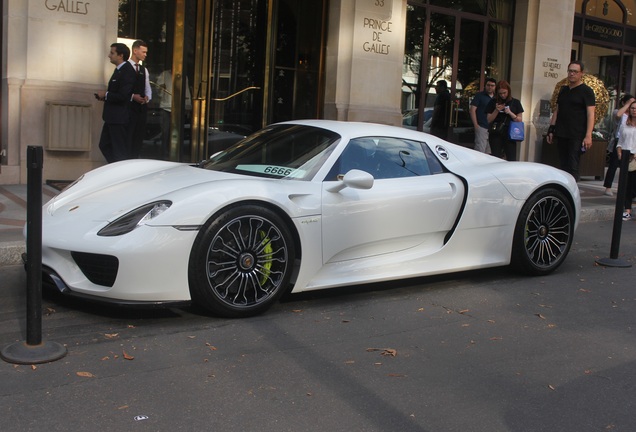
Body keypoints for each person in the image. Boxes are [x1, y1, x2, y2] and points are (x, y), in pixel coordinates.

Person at [546, 60, 596, 181]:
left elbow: (591, 114)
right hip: (562, 132)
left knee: (573, 164)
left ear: (581, 73)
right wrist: (551, 129)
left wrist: (588, 135)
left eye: (575, 71)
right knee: (563, 164)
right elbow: (557, 111)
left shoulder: (587, 91)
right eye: (570, 71)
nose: (572, 74)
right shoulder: (563, 90)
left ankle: (573, 191)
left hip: (577, 134)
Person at [96, 43, 136, 163]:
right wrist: (105, 97)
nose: (109, 56)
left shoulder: (127, 71)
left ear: (121, 55)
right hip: (112, 117)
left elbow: (123, 95)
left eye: (112, 53)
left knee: (119, 151)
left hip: (119, 118)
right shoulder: (119, 70)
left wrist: (106, 94)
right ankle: (114, 169)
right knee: (104, 145)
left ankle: (121, 173)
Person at [603, 94, 634, 196]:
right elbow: (618, 115)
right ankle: (608, 187)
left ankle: (629, 191)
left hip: (631, 143)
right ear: (624, 103)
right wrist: (628, 104)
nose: (631, 107)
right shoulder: (619, 112)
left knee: (631, 168)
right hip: (619, 142)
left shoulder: (632, 116)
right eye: (629, 104)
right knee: (613, 165)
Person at [486, 80, 524, 161]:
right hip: (496, 132)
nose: (502, 95)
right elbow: (489, 119)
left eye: (504, 93)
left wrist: (510, 112)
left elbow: (520, 120)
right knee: (495, 157)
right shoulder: (493, 102)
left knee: (511, 157)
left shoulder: (515, 102)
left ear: (509, 91)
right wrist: (496, 110)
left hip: (510, 134)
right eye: (500, 93)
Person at [128, 40, 152, 158]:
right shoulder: (125, 67)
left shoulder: (144, 70)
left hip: (141, 109)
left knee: (138, 138)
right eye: (143, 52)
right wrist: (133, 97)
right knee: (128, 138)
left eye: (146, 52)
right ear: (135, 51)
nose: (145, 55)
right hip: (128, 109)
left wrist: (147, 97)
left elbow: (147, 87)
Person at [614, 100, 636, 220]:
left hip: (635, 157)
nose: (634, 110)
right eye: (632, 108)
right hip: (626, 158)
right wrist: (619, 153)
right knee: (626, 186)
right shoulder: (624, 125)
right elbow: (620, 142)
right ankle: (627, 209)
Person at [469, 77, 496, 153]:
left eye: (492, 85)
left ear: (495, 87)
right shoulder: (480, 95)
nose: (490, 87)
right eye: (488, 85)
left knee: (488, 152)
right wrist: (476, 125)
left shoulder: (496, 97)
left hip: (492, 129)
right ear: (485, 85)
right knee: (480, 150)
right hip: (482, 126)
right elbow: (472, 110)